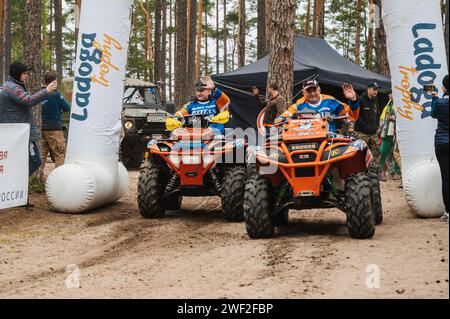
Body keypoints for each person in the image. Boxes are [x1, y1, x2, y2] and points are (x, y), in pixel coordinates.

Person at [0, 61, 57, 177]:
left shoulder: (13, 86)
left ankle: (13, 183)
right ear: (17, 74)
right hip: (18, 132)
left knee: (22, 161)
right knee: (35, 161)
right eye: (24, 73)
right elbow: (28, 100)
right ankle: (14, 181)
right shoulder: (12, 87)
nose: (27, 76)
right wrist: (46, 91)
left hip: (18, 132)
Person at [278, 80, 360, 133]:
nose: (312, 93)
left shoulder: (330, 101)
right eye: (309, 91)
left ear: (319, 90)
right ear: (303, 93)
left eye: (314, 90)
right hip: (305, 139)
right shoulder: (299, 105)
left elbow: (351, 116)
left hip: (329, 140)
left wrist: (353, 101)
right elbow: (284, 117)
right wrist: (280, 119)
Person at [40, 71, 71, 172]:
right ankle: (59, 178)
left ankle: (37, 178)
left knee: (42, 154)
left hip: (41, 128)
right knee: (60, 153)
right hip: (54, 129)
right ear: (53, 82)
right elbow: (67, 107)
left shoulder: (40, 94)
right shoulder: (56, 95)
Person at [431, 74, 449, 222]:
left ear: (444, 87)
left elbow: (433, 114)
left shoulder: (440, 102)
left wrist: (434, 97)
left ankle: (448, 213)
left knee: (446, 179)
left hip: (441, 143)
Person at [355, 82, 383, 173]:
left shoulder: (375, 100)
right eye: (374, 89)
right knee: (361, 154)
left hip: (373, 133)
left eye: (377, 90)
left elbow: (377, 113)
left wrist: (377, 125)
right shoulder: (361, 99)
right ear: (368, 89)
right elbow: (357, 116)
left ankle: (374, 174)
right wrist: (366, 127)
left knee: (377, 153)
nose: (376, 92)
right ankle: (362, 173)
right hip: (362, 133)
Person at [378, 92, 401, 182]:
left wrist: (395, 119)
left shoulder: (400, 103)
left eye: (391, 93)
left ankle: (397, 173)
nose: (389, 95)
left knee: (396, 153)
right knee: (383, 152)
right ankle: (380, 172)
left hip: (396, 132)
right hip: (387, 131)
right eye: (389, 93)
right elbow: (382, 118)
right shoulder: (389, 103)